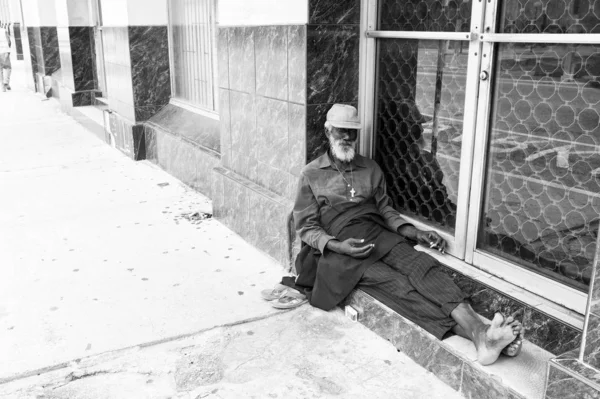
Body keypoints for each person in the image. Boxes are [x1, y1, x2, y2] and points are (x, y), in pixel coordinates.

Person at [263, 104, 522, 366]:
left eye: (352, 133)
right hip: (341, 253)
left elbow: (386, 211)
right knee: (399, 287)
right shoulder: (311, 174)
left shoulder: (370, 169)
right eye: (341, 131)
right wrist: (337, 246)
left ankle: (481, 333)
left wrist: (415, 232)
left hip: (379, 235)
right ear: (328, 130)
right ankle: (482, 338)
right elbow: (306, 227)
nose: (347, 138)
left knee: (423, 267)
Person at [0, 21, 12, 92]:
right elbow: (9, 41)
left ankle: (2, 88)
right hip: (4, 51)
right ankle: (6, 82)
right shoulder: (4, 31)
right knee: (8, 67)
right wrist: (8, 51)